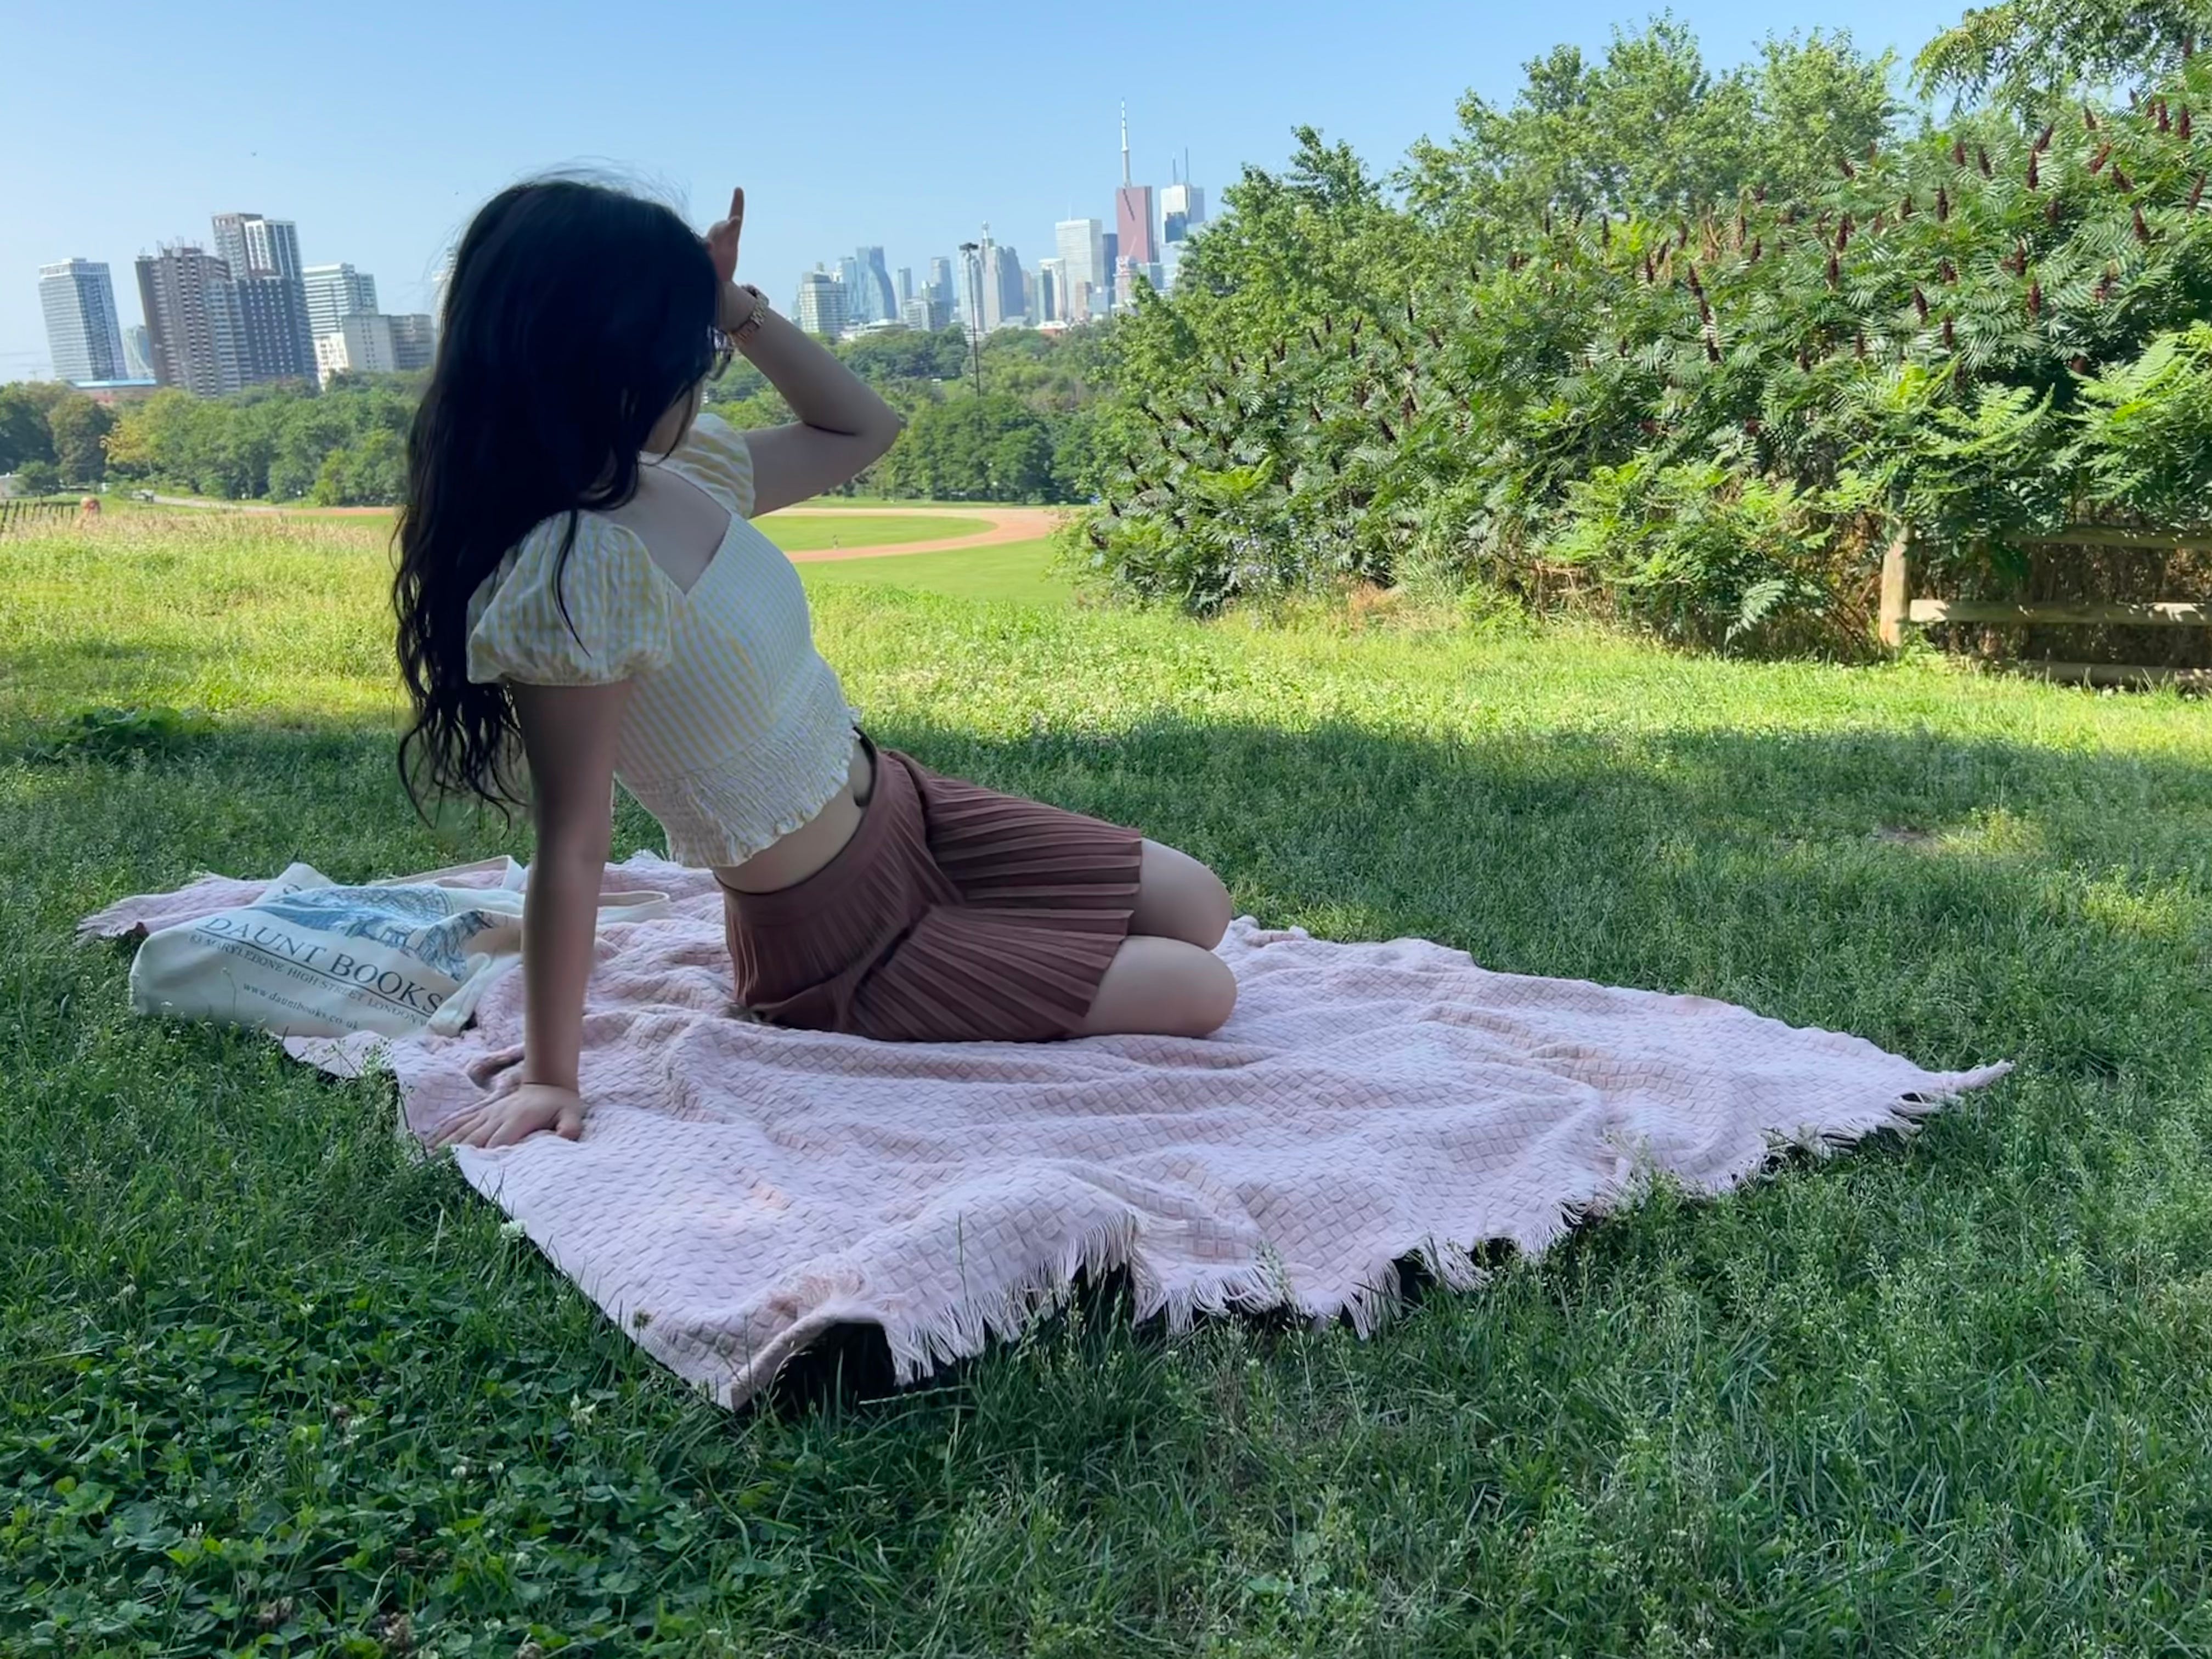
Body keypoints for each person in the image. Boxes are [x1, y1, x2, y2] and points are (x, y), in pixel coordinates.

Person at [393, 179, 1237, 1149]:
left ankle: (1012, 940)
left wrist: (734, 308)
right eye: (689, 347)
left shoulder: (678, 473)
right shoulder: (577, 574)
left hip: (914, 811)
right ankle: (980, 958)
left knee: (1201, 905)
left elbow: (862, 430)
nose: (702, 369)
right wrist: (552, 1075)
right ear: (610, 355)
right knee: (1199, 988)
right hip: (841, 939)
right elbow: (573, 843)